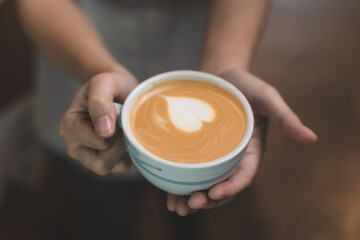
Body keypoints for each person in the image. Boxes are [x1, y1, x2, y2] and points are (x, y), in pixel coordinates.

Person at [17, 0, 317, 220]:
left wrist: (223, 69)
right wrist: (98, 70)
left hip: (202, 38)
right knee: (101, 212)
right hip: (78, 48)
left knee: (199, 210)